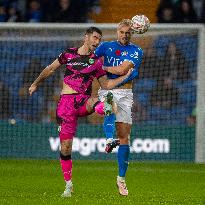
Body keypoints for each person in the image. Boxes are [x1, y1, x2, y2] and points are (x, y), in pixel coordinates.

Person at [28, 26, 133, 197]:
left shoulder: (96, 62)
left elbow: (106, 85)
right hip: (65, 106)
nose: (97, 42)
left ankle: (108, 135)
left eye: (99, 39)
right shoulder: (68, 54)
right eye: (95, 37)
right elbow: (50, 68)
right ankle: (68, 185)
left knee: (104, 101)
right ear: (86, 37)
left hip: (83, 101)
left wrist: (125, 77)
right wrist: (35, 83)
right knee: (66, 148)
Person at [94, 19, 144, 196]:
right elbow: (89, 59)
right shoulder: (106, 46)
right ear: (117, 32)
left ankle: (121, 179)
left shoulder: (137, 51)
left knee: (124, 137)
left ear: (133, 33)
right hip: (108, 90)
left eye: (128, 32)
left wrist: (102, 67)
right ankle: (108, 139)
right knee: (109, 101)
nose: (125, 35)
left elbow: (123, 70)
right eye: (122, 32)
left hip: (126, 94)